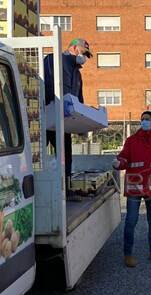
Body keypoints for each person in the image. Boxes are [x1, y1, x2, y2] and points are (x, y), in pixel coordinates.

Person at [113, 111, 151, 268]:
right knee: (131, 221)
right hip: (135, 186)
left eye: (147, 119)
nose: (144, 122)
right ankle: (128, 254)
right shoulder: (132, 140)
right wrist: (118, 162)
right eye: (142, 119)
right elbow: (124, 158)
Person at [43, 38, 92, 191]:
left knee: (65, 156)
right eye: (84, 53)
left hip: (65, 123)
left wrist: (82, 125)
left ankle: (65, 188)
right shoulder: (54, 60)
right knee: (37, 153)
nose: (84, 58)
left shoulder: (77, 74)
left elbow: (80, 100)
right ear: (74, 48)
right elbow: (46, 84)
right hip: (47, 117)